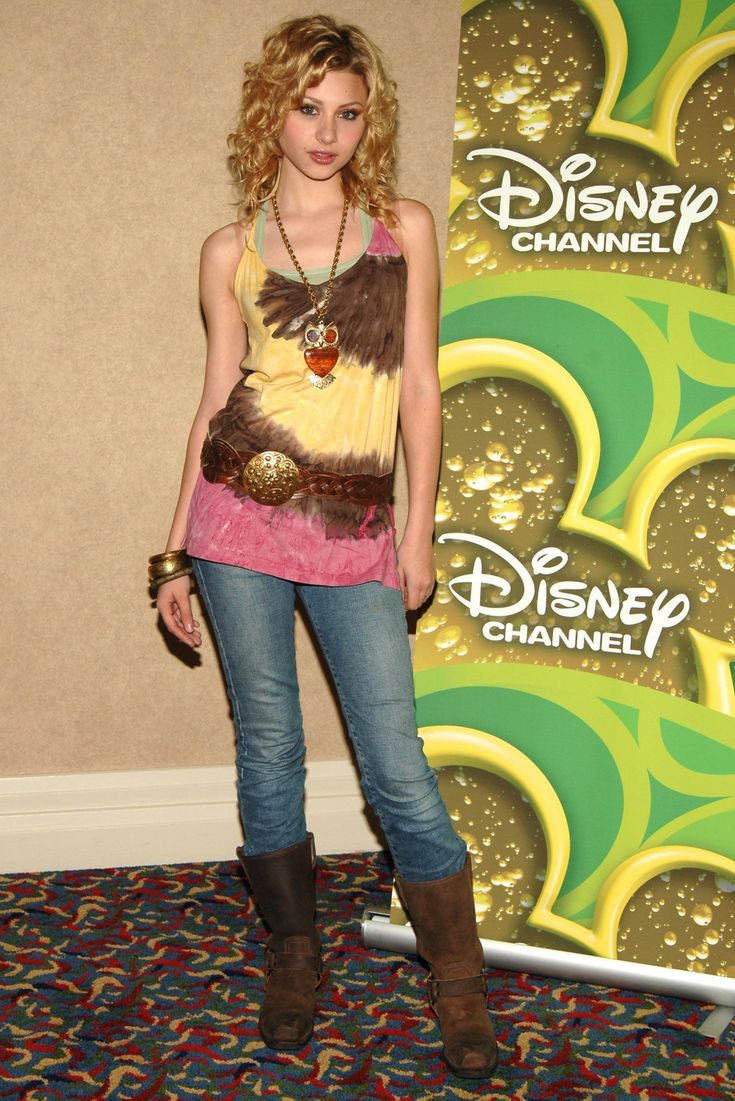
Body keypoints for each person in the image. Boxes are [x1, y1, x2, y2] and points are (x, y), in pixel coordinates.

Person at [148, 14, 497, 1079]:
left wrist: (418, 531)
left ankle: (459, 982)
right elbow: (217, 398)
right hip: (236, 523)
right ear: (274, 109)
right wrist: (172, 556)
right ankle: (293, 956)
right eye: (309, 108)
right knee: (269, 744)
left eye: (347, 112)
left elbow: (423, 391)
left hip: (356, 528)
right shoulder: (230, 249)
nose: (326, 131)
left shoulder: (405, 229)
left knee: (394, 761)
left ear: (367, 122)